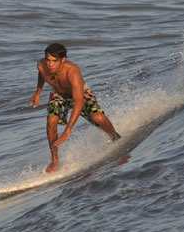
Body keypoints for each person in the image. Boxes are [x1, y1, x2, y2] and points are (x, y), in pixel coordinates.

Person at [28, 43, 121, 173]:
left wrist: (68, 130)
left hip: (80, 94)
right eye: (48, 60)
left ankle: (115, 138)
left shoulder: (72, 71)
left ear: (63, 60)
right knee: (51, 120)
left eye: (54, 61)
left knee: (98, 117)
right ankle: (55, 160)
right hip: (59, 95)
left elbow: (79, 102)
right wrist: (38, 92)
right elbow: (42, 75)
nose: (50, 65)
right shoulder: (41, 66)